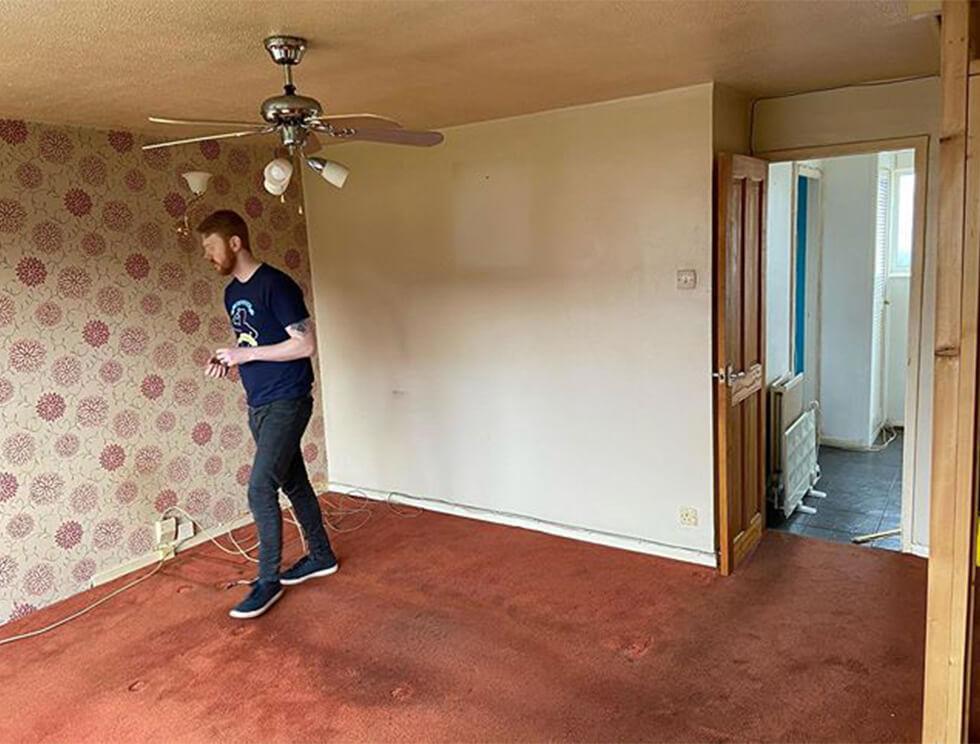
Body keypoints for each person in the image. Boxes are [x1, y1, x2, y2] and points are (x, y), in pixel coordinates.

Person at [197, 209, 337, 619]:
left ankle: (267, 581)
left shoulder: (275, 285)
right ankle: (321, 555)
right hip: (258, 402)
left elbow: (305, 344)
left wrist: (248, 353)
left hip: (288, 399)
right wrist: (231, 361)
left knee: (260, 488)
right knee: (294, 483)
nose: (207, 256)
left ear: (235, 243)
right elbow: (252, 341)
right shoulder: (230, 294)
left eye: (211, 247)